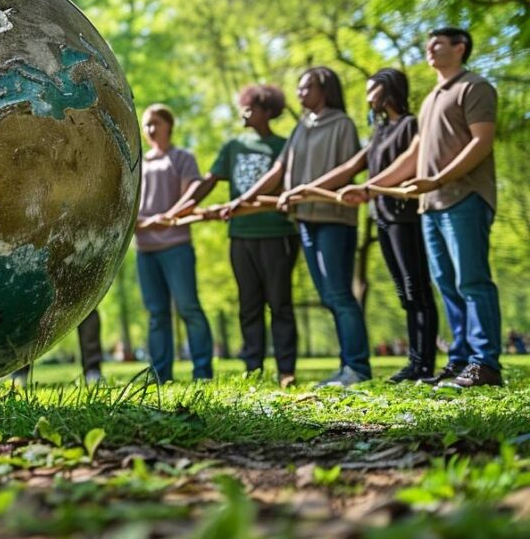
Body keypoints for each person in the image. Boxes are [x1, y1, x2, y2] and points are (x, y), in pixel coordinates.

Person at [341, 28, 502, 388]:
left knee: (472, 281)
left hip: (465, 198)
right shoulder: (430, 100)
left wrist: (438, 178)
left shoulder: (474, 87)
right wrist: (370, 187)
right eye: (428, 44)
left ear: (460, 48)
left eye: (438, 44)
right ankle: (460, 361)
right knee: (446, 283)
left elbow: (482, 141)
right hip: (430, 206)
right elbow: (414, 155)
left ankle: (485, 364)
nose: (429, 49)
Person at [283, 69, 438, 383]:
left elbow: (406, 163)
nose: (368, 98)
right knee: (404, 292)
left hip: (405, 215)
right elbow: (351, 166)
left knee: (415, 289)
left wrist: (367, 189)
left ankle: (410, 364)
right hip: (382, 215)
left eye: (373, 91)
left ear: (389, 90)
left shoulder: (409, 126)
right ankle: (410, 363)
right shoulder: (379, 132)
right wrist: (306, 189)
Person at [232, 67, 369, 387]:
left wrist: (301, 191)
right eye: (299, 87)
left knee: (339, 294)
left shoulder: (342, 124)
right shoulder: (301, 127)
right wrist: (244, 199)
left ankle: (357, 367)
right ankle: (347, 366)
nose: (300, 93)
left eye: (307, 87)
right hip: (305, 220)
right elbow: (279, 169)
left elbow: (348, 169)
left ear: (326, 89)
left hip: (334, 219)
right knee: (328, 295)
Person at [164, 84, 299, 387]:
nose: (244, 112)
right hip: (241, 235)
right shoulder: (233, 146)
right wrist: (181, 208)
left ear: (267, 111)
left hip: (278, 234)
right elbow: (207, 181)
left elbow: (288, 183)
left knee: (280, 304)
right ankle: (253, 369)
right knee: (248, 304)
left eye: (251, 108)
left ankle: (286, 370)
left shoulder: (283, 146)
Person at [135, 104, 214, 383]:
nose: (150, 129)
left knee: (188, 307)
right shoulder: (139, 163)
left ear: (169, 125)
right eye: (146, 125)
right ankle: (160, 375)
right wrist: (145, 222)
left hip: (176, 245)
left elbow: (191, 196)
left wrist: (168, 216)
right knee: (157, 314)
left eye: (155, 123)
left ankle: (202, 372)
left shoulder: (182, 158)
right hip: (145, 250)